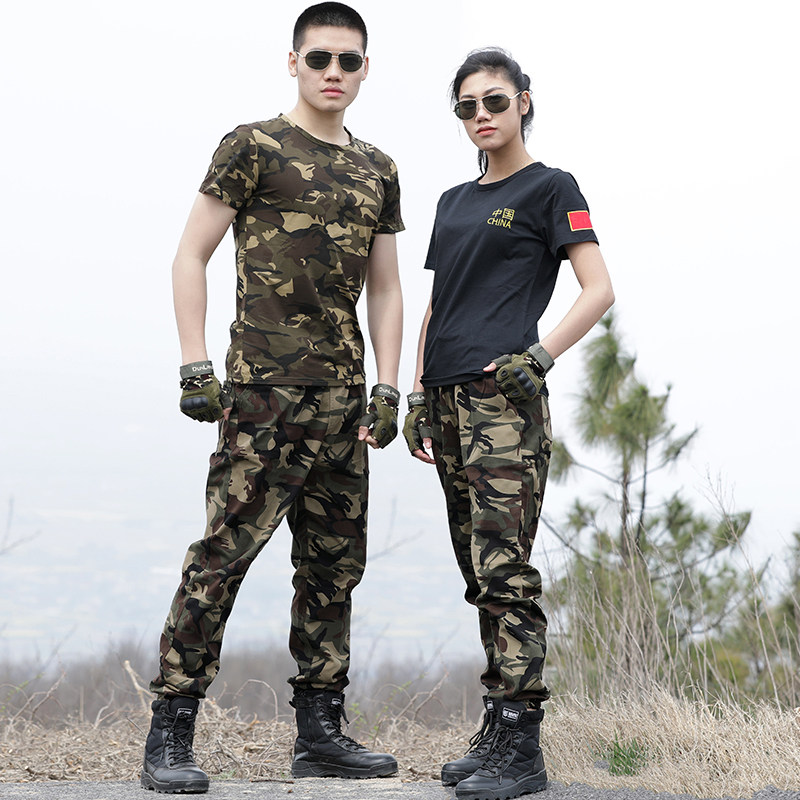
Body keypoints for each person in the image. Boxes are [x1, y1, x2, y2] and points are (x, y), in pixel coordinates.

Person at [140, 3, 404, 793]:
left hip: (343, 403)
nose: (334, 71)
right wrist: (194, 365)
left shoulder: (378, 168)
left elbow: (386, 289)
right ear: (294, 62)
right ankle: (170, 730)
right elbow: (190, 255)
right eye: (319, 57)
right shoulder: (252, 145)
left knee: (333, 570)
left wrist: (388, 386)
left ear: (365, 69)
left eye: (348, 60)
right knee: (221, 559)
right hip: (261, 396)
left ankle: (320, 733)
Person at [403, 48, 614, 800]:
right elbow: (440, 303)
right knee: (477, 572)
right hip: (446, 400)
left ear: (524, 100)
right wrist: (417, 394)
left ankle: (523, 750)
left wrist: (539, 357)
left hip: (502, 403)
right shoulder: (452, 201)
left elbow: (598, 289)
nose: (481, 115)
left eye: (495, 100)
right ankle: (496, 728)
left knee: (504, 569)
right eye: (467, 106)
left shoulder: (551, 187)